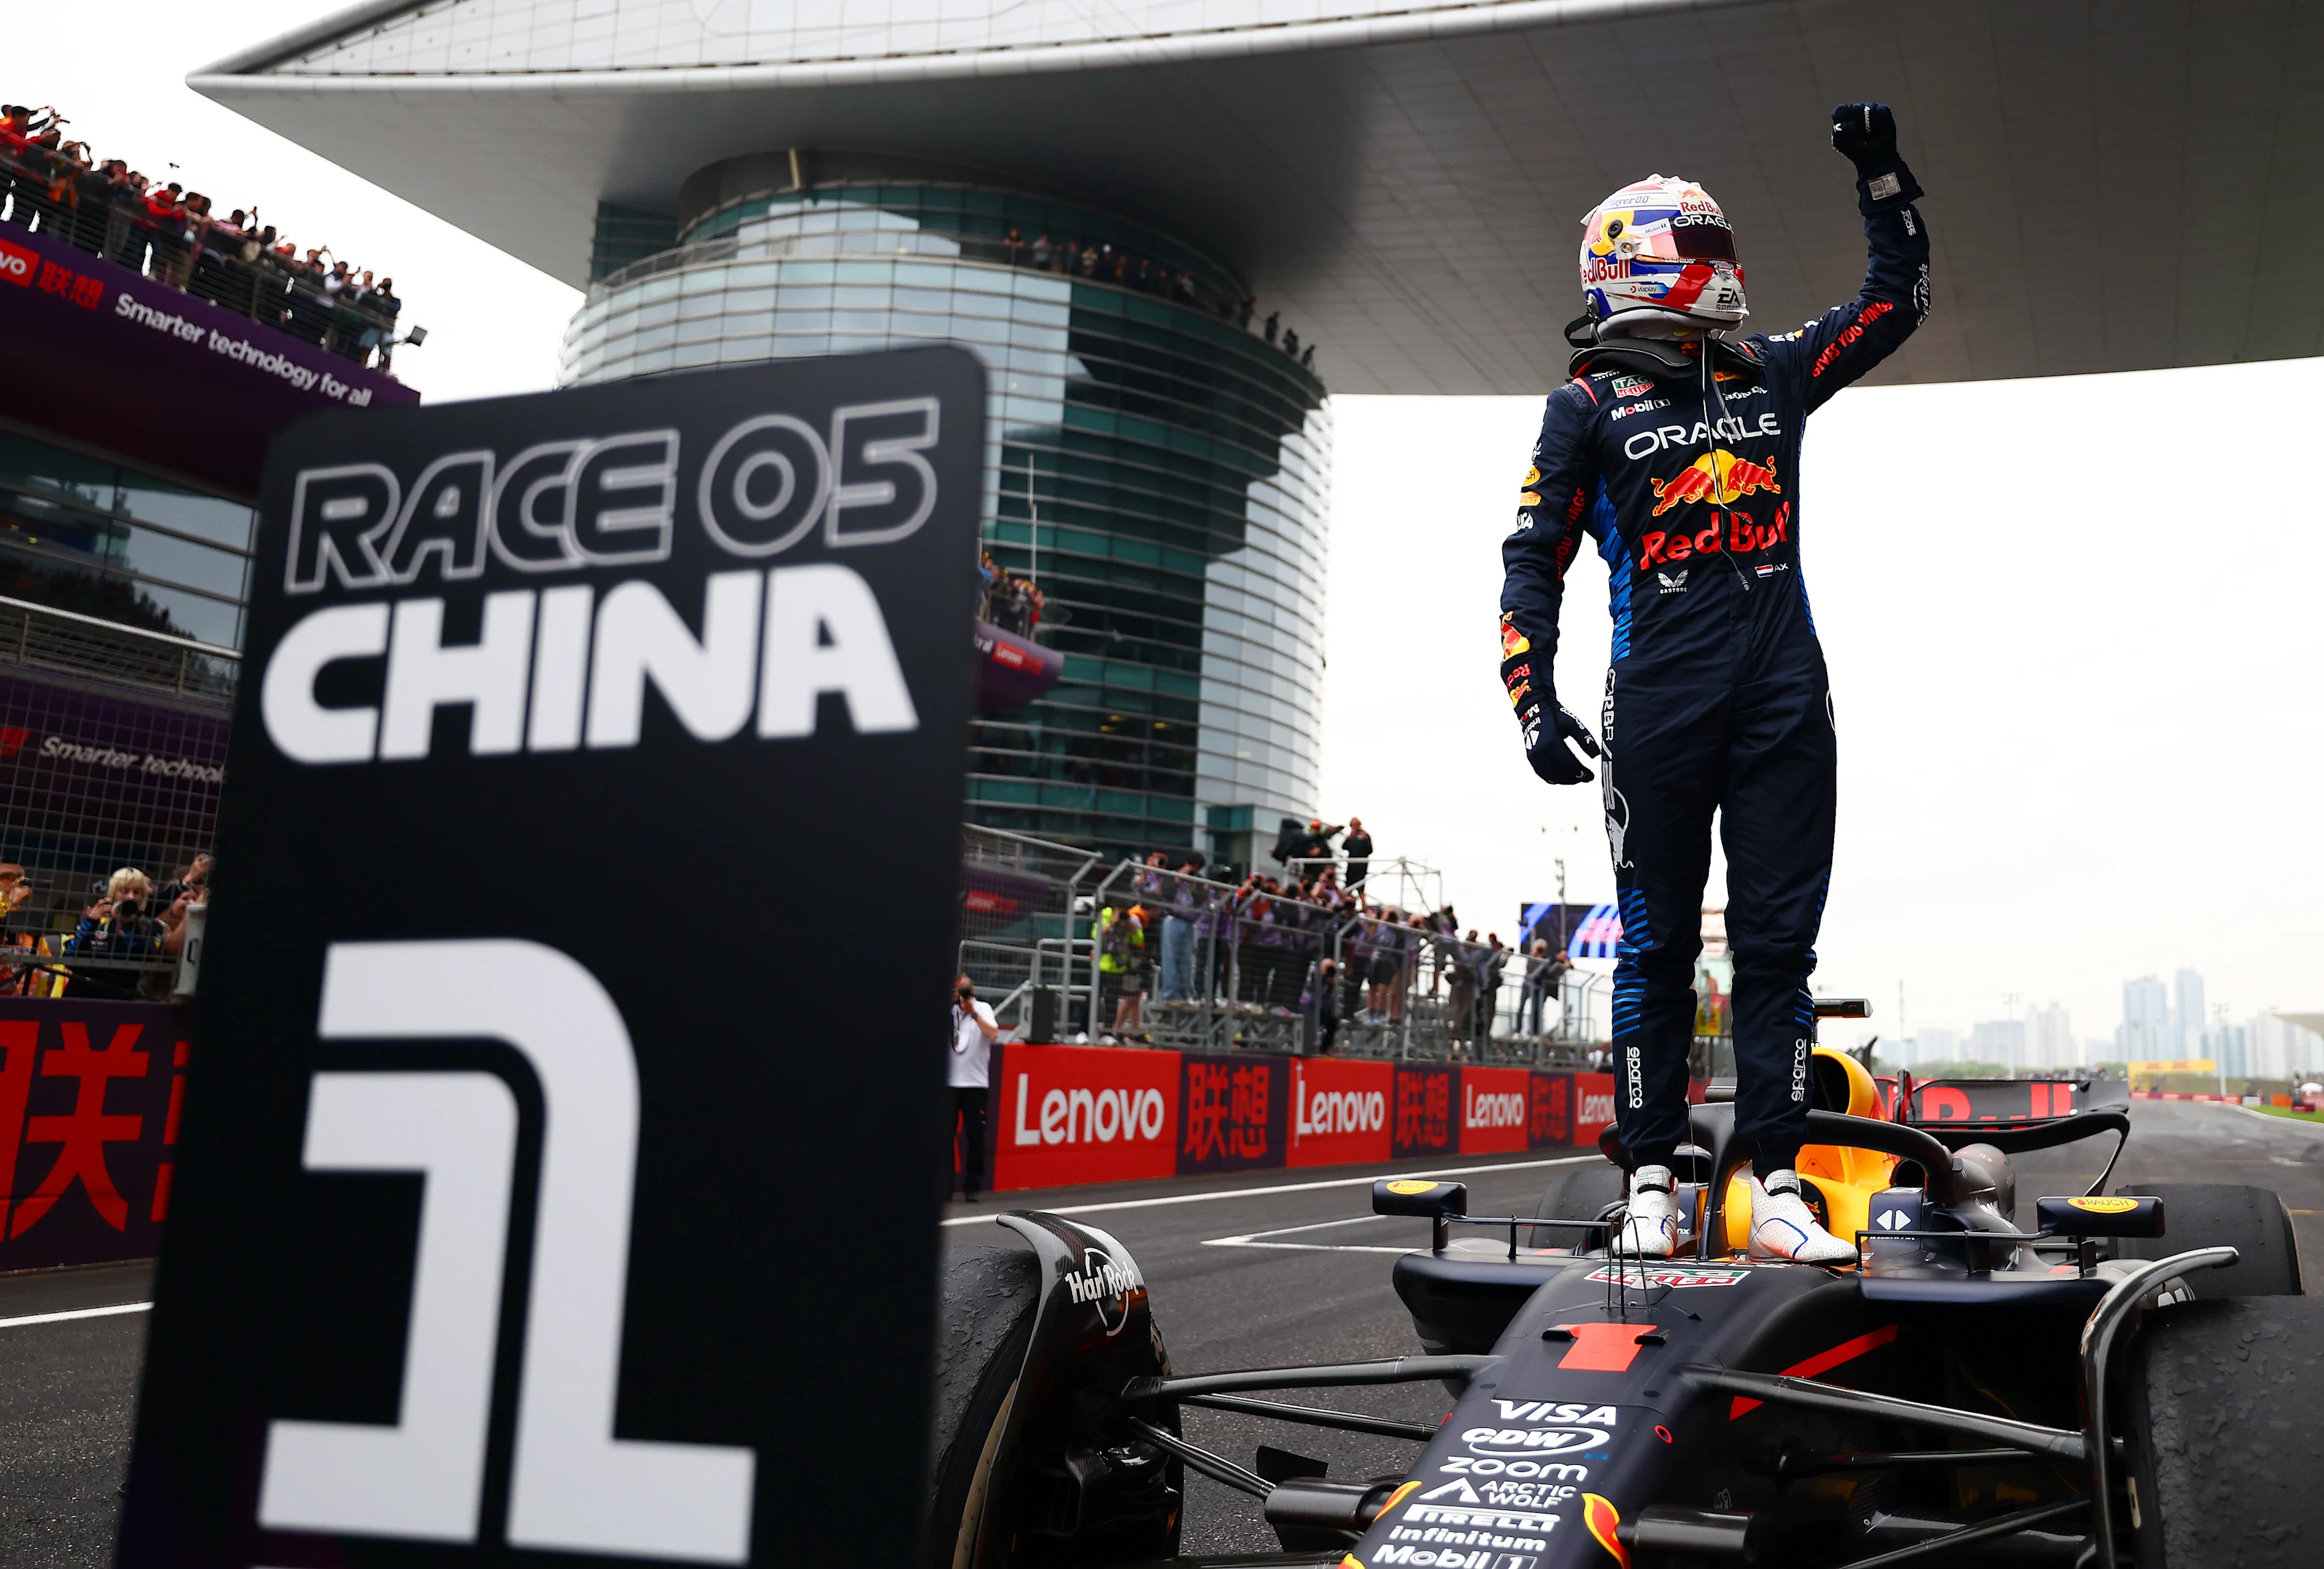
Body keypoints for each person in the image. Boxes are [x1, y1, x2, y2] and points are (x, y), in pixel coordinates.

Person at [1498, 103, 1927, 1263]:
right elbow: (1529, 559)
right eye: (1700, 252)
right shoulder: (1582, 408)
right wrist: (1530, 698)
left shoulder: (1773, 372)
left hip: (1787, 692)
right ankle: (1648, 1178)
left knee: (1778, 948)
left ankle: (1778, 1180)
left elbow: (1896, 305)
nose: (1722, 271)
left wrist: (1878, 175)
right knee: (1654, 950)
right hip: (1658, 704)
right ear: (1635, 267)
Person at [949, 974, 999, 1199]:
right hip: (949, 1083)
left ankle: (973, 1187)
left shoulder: (983, 1008)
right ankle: (944, 1187)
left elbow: (993, 1034)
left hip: (975, 1084)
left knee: (975, 1136)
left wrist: (973, 1012)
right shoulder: (949, 1011)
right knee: (943, 1137)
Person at [1519, 937, 1565, 1036]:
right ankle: (1518, 1030)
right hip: (1528, 985)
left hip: (1538, 987)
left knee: (1536, 1010)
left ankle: (1535, 1031)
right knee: (1521, 1007)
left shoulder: (1546, 960)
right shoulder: (1531, 958)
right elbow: (1529, 970)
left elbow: (1548, 972)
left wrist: (1543, 962)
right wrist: (1534, 955)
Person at [1340, 817, 1372, 889]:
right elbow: (1344, 847)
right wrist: (1349, 838)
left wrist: (1364, 840)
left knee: (1360, 888)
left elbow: (1370, 850)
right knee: (1348, 887)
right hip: (1351, 865)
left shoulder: (1366, 836)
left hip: (1361, 866)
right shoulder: (1351, 837)